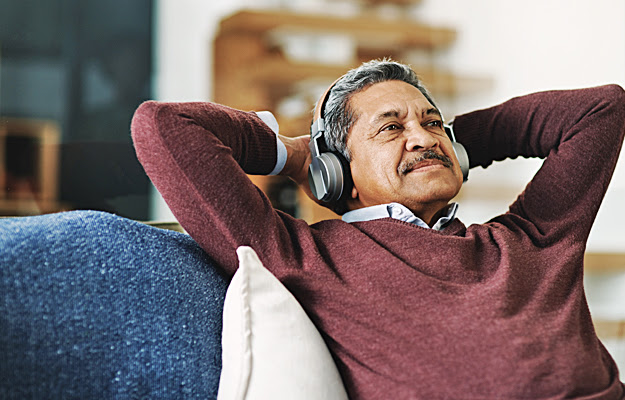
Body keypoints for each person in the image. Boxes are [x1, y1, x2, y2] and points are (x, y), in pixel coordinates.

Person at [131, 59, 625, 399]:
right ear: (337, 171)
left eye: (433, 123)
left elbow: (601, 110)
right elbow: (164, 126)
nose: (421, 137)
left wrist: (451, 144)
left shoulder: (532, 237)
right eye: (390, 127)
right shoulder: (303, 255)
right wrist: (294, 153)